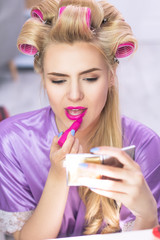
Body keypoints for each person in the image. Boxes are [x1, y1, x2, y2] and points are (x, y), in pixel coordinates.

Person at [0, 0, 160, 239]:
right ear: (43, 78)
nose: (74, 95)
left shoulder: (145, 146)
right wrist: (57, 175)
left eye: (90, 78)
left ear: (111, 75)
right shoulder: (12, 141)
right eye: (58, 80)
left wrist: (147, 217)